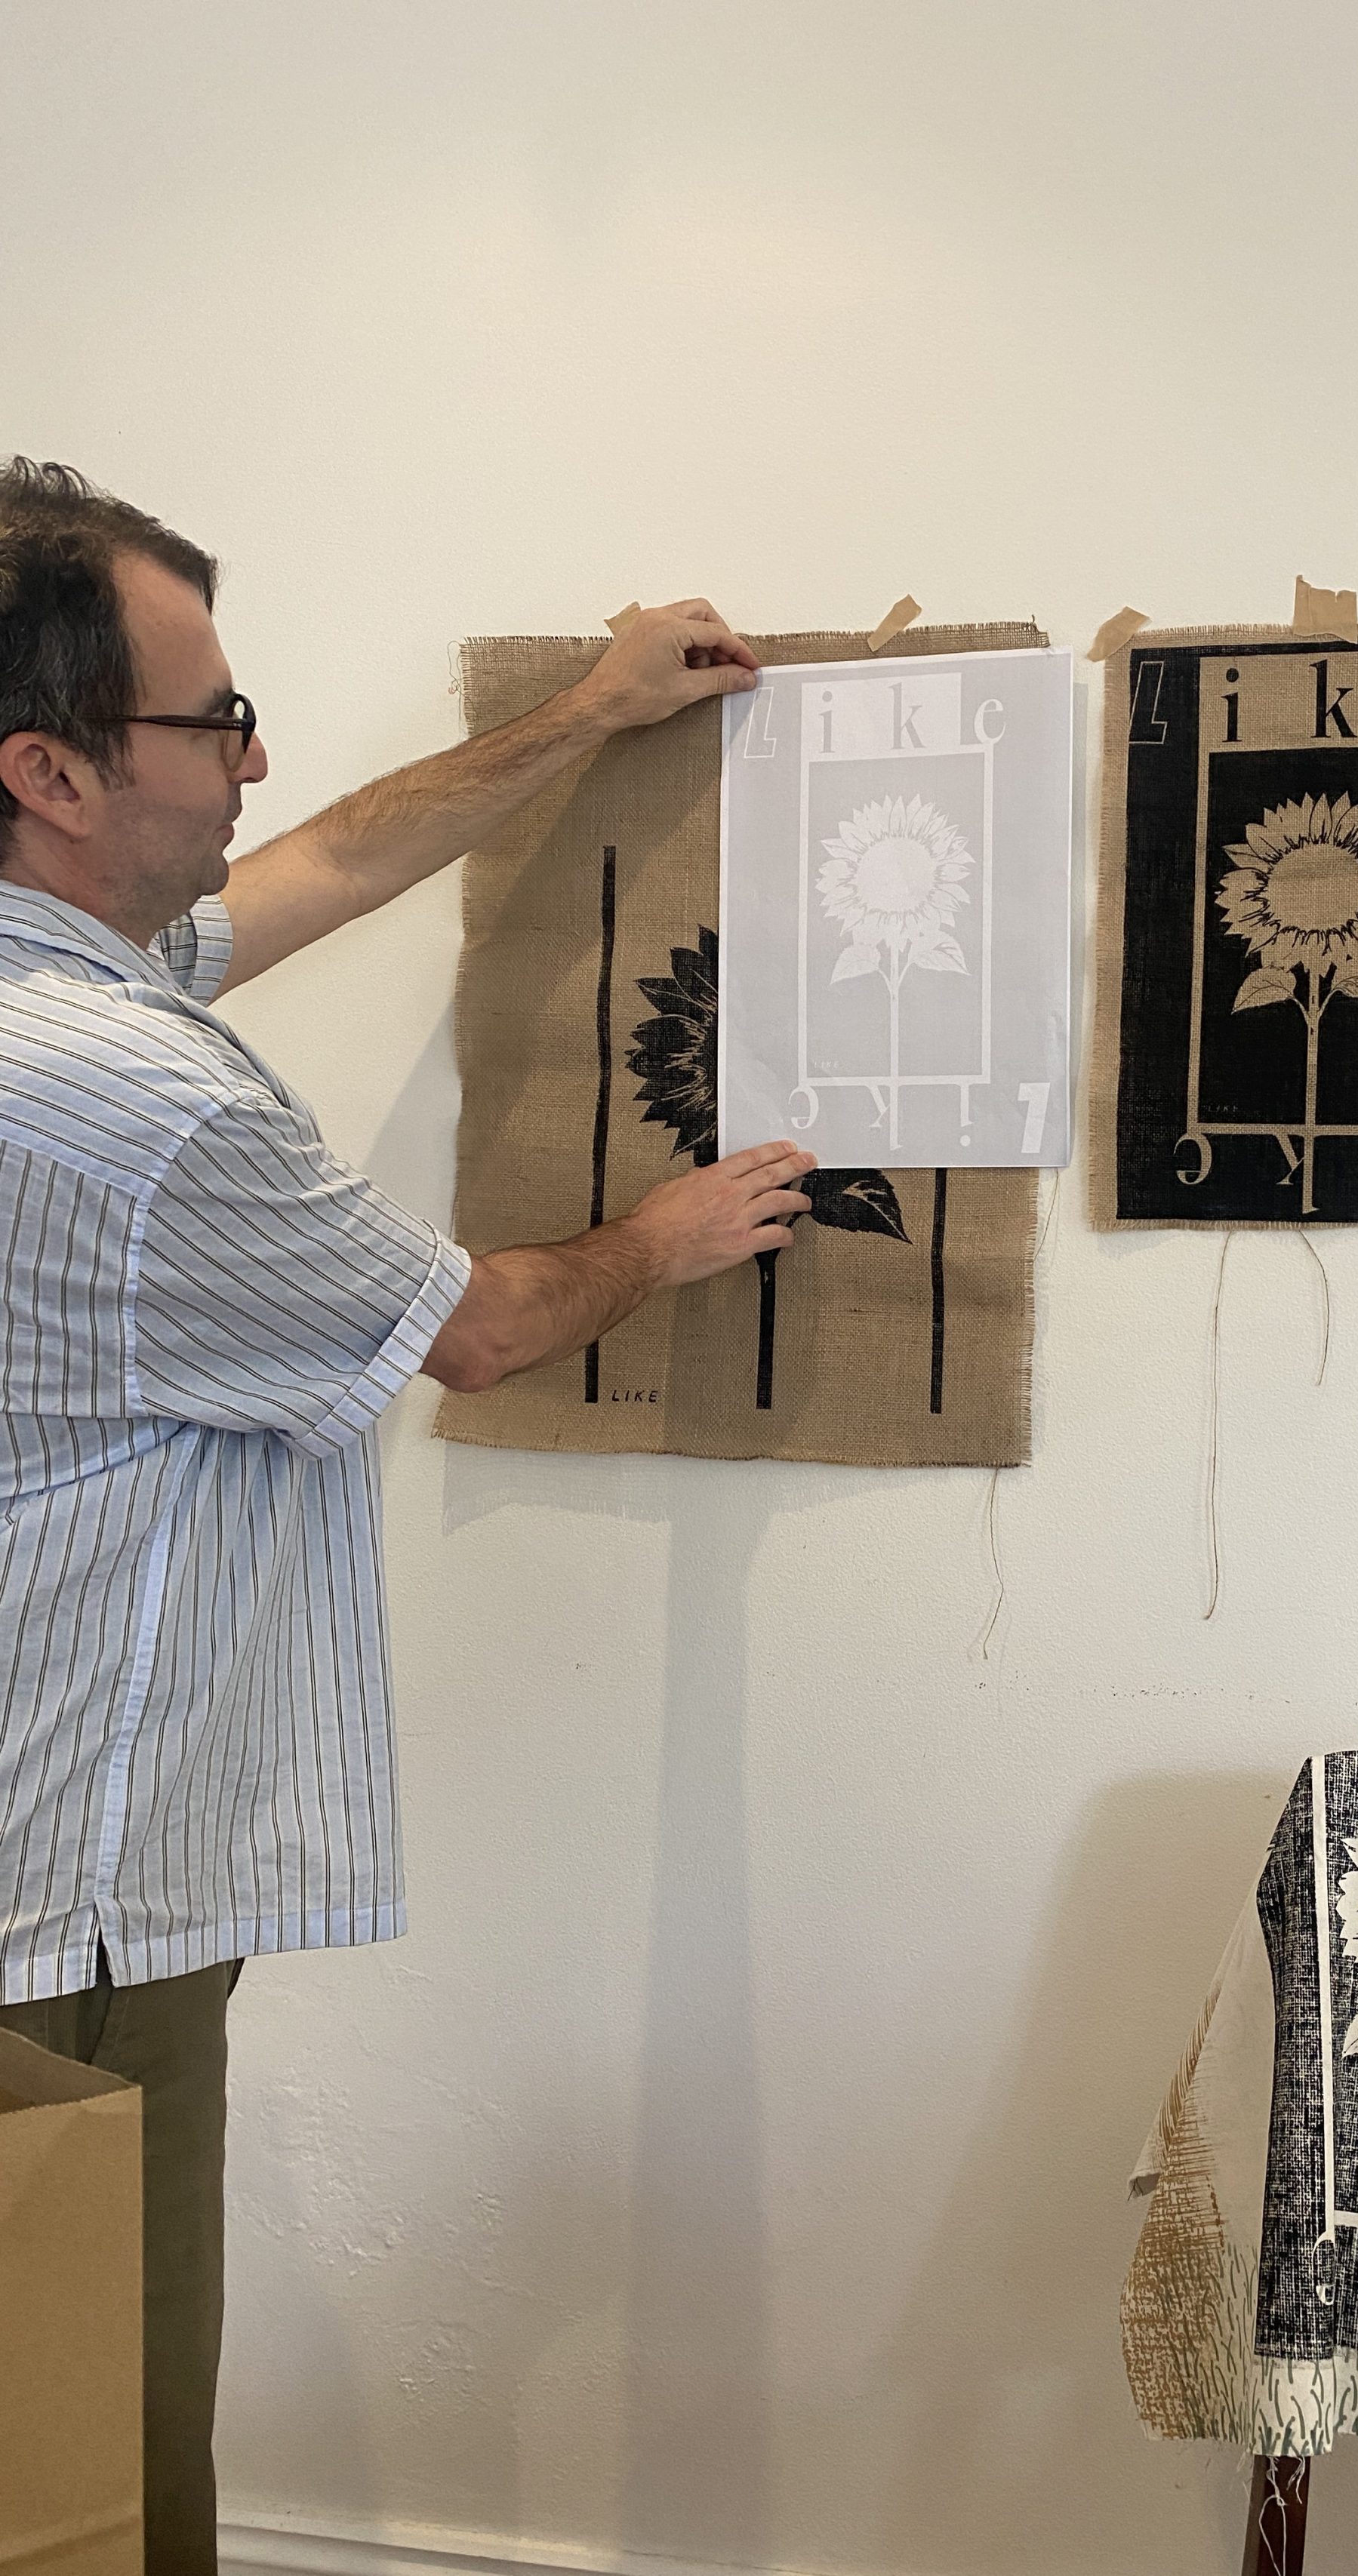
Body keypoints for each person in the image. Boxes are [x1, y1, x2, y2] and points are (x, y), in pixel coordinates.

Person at [0, 458, 814, 2576]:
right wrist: (663, 1234)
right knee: (88, 2478)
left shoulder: (63, 994)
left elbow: (325, 865)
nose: (256, 758)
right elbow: (478, 1327)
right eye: (214, 722)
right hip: (58, 1923)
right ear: (49, 775)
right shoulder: (130, 1100)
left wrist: (592, 711)